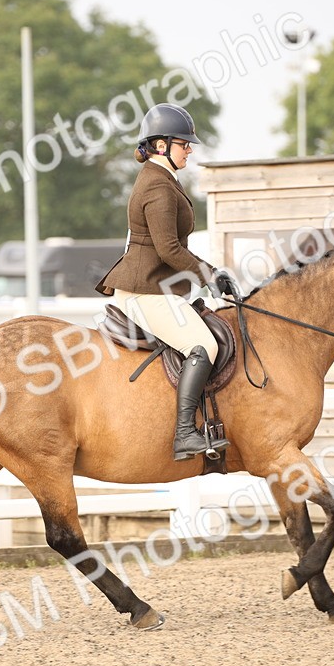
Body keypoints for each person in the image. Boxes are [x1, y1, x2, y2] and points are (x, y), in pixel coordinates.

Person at [95, 103, 238, 461]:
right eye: (183, 144)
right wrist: (210, 275)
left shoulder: (162, 179)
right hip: (144, 292)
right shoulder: (157, 186)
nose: (189, 149)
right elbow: (169, 249)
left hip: (155, 288)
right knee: (203, 346)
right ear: (162, 145)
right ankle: (185, 434)